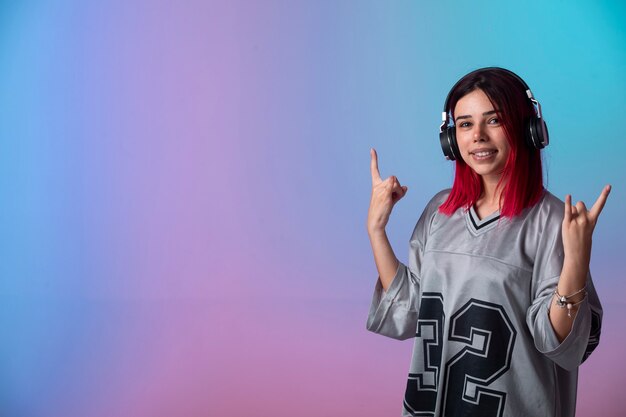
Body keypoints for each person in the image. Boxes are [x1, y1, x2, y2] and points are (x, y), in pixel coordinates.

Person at [366, 67, 610, 417]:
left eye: (493, 121)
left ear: (528, 131)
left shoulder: (554, 221)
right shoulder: (439, 210)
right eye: (465, 124)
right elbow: (409, 311)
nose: (477, 136)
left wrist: (575, 261)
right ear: (451, 140)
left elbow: (560, 346)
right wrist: (377, 230)